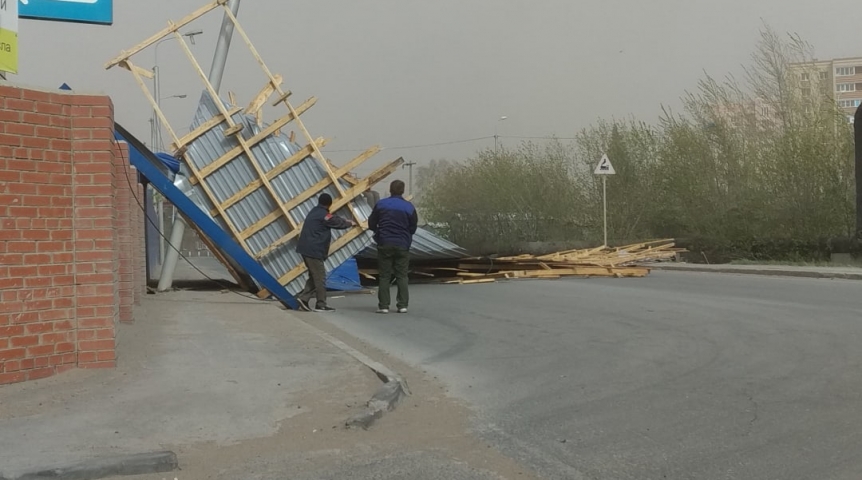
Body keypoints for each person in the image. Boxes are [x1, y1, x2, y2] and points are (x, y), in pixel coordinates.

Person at [295, 193, 356, 312]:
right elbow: (335, 222)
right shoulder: (324, 215)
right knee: (320, 277)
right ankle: (321, 304)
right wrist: (349, 223)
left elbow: (332, 217)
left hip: (306, 249)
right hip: (313, 250)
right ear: (329, 204)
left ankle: (304, 299)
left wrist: (343, 220)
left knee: (314, 276)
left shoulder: (315, 211)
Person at [368, 180, 418, 314]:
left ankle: (384, 306)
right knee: (402, 276)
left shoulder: (381, 204)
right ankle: (402, 305)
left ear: (390, 190)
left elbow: (371, 223)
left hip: (384, 243)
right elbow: (413, 227)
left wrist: (378, 232)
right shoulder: (409, 207)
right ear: (403, 191)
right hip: (402, 244)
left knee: (384, 276)